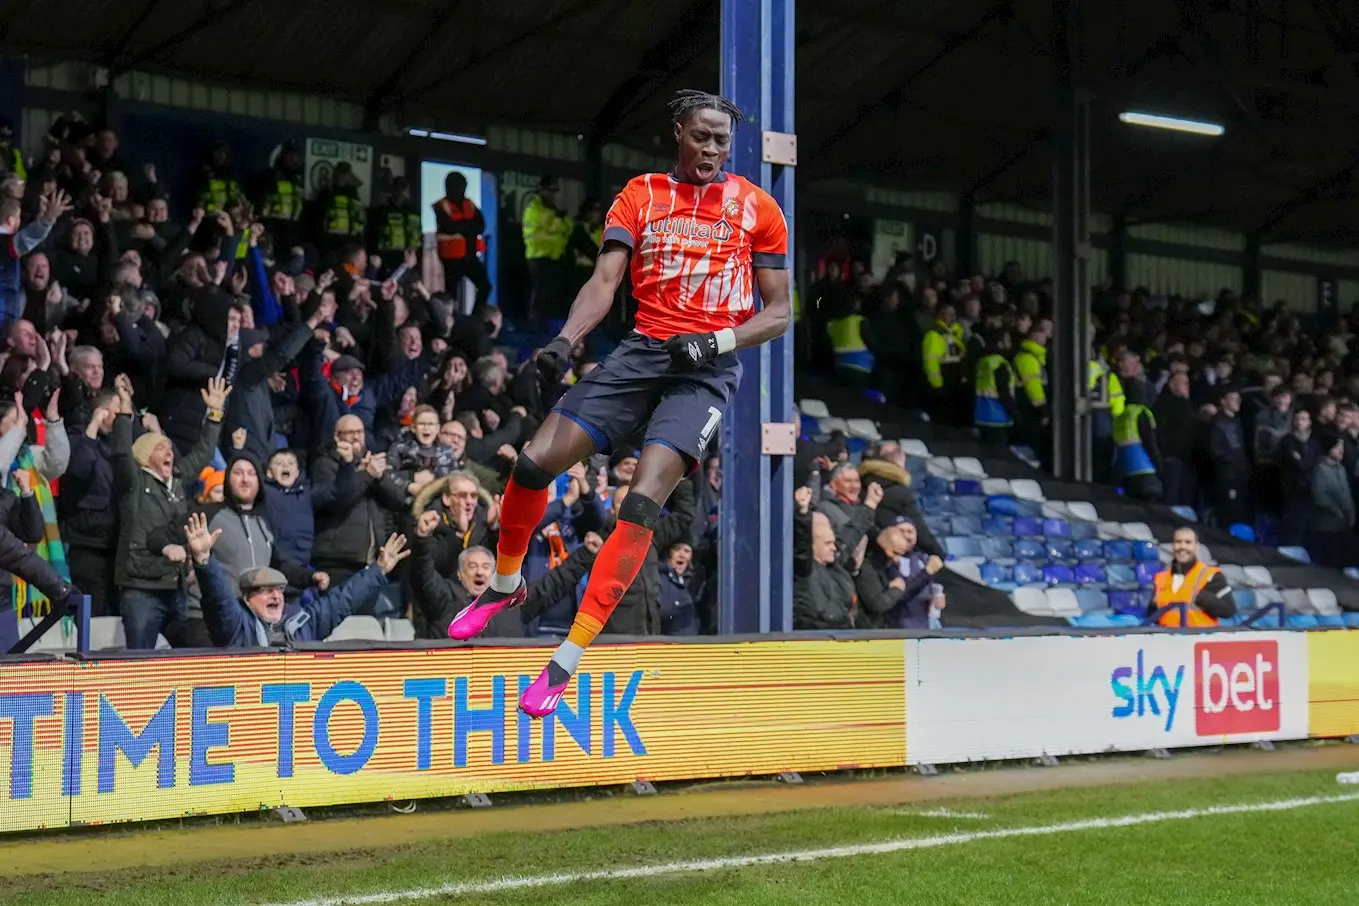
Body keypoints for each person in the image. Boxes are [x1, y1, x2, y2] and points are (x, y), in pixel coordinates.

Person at [446, 89, 791, 718]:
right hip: (640, 353)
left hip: (706, 372)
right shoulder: (641, 194)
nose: (712, 149)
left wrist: (714, 340)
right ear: (679, 134)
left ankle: (566, 661)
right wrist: (563, 341)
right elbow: (605, 281)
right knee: (531, 464)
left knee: (639, 503)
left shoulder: (759, 208)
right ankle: (505, 584)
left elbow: (779, 313)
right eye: (702, 136)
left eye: (722, 140)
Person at [1148, 526, 1236, 627]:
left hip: (1200, 639)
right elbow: (1151, 616)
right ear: (1173, 545)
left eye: (1188, 542)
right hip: (1167, 639)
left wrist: (1202, 598)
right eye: (1178, 542)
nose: (1182, 547)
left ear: (1196, 546)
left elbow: (1228, 610)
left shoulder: (1211, 575)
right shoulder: (1161, 578)